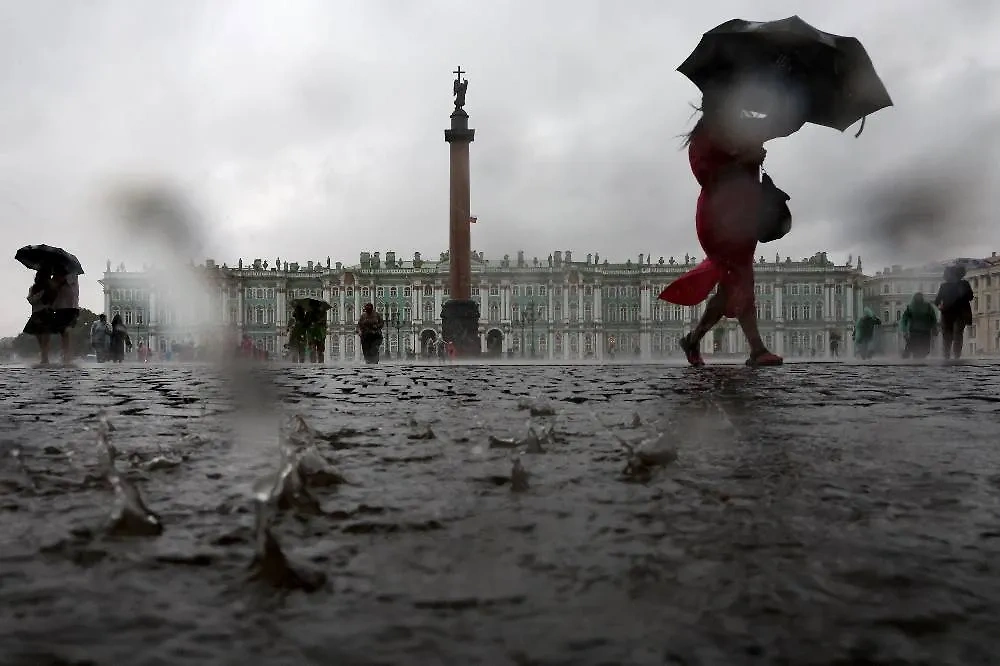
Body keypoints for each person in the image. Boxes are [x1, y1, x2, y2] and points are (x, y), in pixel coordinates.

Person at [660, 85, 805, 367]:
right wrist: (744, 159)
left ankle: (694, 339)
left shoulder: (742, 129)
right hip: (719, 219)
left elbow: (783, 125)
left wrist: (789, 97)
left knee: (731, 284)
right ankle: (757, 349)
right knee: (739, 279)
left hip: (744, 218)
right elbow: (706, 175)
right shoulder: (703, 139)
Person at [934, 265, 974, 360]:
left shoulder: (945, 286)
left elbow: (937, 301)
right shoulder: (964, 284)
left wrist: (940, 307)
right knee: (957, 334)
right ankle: (956, 356)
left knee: (948, 336)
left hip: (949, 313)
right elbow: (970, 297)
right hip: (959, 313)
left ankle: (947, 356)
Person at [23, 270, 56, 365]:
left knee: (46, 337)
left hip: (47, 313)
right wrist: (41, 294)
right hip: (37, 314)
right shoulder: (33, 288)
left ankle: (45, 358)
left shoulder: (50, 288)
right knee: (40, 337)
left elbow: (54, 302)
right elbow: (31, 300)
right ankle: (44, 356)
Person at [50, 268, 80, 364]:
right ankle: (65, 353)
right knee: (63, 332)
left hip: (70, 307)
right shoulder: (62, 276)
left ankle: (67, 355)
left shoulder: (71, 275)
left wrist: (56, 281)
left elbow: (63, 285)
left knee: (67, 330)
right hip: (61, 307)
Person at [900, 293, 938, 359]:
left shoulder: (911, 307)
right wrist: (934, 328)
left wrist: (904, 330)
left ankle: (912, 357)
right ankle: (917, 359)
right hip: (923, 331)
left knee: (917, 348)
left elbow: (904, 319)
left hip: (916, 331)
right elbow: (933, 318)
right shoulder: (927, 306)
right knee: (923, 349)